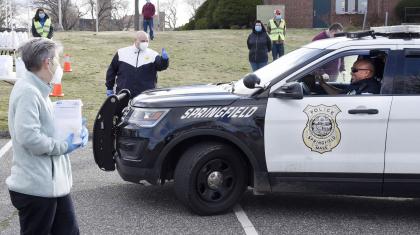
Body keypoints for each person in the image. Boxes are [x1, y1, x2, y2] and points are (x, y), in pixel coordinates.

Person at [7, 38, 88, 234]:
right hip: (36, 188)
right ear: (47, 62)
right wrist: (64, 146)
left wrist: (75, 129)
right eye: (57, 59)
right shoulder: (28, 92)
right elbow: (29, 137)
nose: (59, 64)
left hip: (52, 186)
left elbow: (46, 127)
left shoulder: (39, 90)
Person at [106, 31, 169, 98]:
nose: (145, 43)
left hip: (146, 96)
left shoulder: (153, 55)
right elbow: (112, 70)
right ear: (135, 40)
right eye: (142, 41)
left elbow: (161, 66)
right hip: (123, 95)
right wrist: (109, 87)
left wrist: (164, 60)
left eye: (147, 41)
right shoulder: (121, 53)